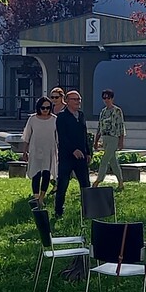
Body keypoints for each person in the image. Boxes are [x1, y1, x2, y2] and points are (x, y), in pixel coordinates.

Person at [54, 90, 91, 218]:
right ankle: (58, 211)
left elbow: (84, 135)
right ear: (67, 101)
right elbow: (62, 137)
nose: (78, 102)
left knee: (85, 184)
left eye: (79, 99)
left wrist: (88, 152)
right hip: (67, 157)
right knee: (63, 184)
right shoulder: (62, 116)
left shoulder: (81, 115)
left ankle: (87, 210)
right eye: (75, 99)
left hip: (81, 156)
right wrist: (73, 150)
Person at [21, 96, 57, 209]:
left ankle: (41, 197)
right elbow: (26, 136)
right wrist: (24, 151)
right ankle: (36, 198)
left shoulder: (54, 119)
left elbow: (58, 137)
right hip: (35, 150)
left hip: (49, 151)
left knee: (46, 174)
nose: (45, 110)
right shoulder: (32, 119)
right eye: (43, 108)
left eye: (48, 107)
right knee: (36, 174)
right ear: (38, 107)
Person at [92, 89, 126, 190]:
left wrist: (121, 141)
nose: (106, 100)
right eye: (104, 98)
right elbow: (99, 127)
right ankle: (120, 182)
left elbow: (121, 126)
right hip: (105, 138)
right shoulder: (103, 112)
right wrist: (96, 141)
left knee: (104, 160)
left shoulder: (117, 111)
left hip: (114, 138)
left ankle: (98, 180)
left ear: (112, 98)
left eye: (108, 98)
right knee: (113, 162)